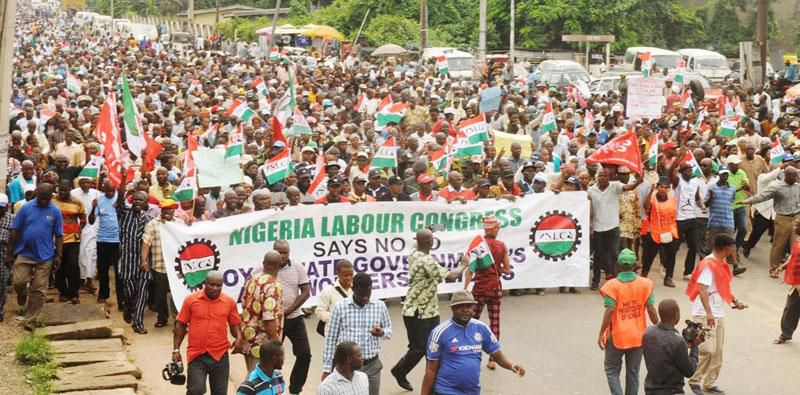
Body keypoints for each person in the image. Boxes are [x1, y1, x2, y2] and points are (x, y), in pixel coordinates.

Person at [391, 228, 469, 391]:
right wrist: (463, 265)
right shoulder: (426, 261)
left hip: (429, 310)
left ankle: (433, 384)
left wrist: (427, 231)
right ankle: (400, 371)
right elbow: (452, 276)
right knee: (420, 348)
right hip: (419, 312)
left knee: (433, 348)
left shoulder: (414, 251)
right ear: (430, 242)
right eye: (432, 238)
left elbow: (418, 240)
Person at [421, 290, 525, 395]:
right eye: (460, 306)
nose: (465, 310)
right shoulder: (440, 332)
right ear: (452, 308)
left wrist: (511, 366)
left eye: (468, 306)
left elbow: (497, 355)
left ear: (473, 308)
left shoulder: (481, 328)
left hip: (472, 391)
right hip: (445, 390)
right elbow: (431, 369)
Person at [685, 235, 748, 394]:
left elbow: (722, 286)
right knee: (708, 349)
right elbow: (702, 289)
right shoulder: (708, 265)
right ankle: (694, 380)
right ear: (726, 248)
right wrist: (708, 313)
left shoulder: (721, 263)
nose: (733, 250)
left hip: (718, 313)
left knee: (718, 350)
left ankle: (709, 383)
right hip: (705, 314)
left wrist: (734, 300)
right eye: (731, 248)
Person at [598, 248, 658, 395]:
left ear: (618, 265)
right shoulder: (645, 284)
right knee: (633, 372)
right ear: (634, 266)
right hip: (638, 336)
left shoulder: (612, 286)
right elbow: (651, 309)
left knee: (612, 370)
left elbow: (610, 311)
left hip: (617, 335)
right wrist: (658, 328)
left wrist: (601, 333)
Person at [322, 272, 392, 395]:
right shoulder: (340, 307)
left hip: (372, 366)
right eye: (361, 295)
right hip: (347, 368)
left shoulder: (380, 306)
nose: (365, 298)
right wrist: (327, 369)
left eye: (367, 294)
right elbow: (331, 339)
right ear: (353, 289)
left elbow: (389, 331)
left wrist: (381, 332)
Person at [174, 271, 243, 395]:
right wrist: (176, 350)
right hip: (197, 355)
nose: (215, 288)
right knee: (196, 390)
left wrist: (238, 337)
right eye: (211, 285)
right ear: (205, 283)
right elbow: (181, 324)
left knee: (220, 392)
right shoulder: (191, 300)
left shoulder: (229, 302)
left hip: (220, 356)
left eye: (219, 285)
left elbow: (234, 324)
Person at [7, 183, 63, 322]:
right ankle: (22, 295)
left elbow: (59, 235)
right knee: (18, 282)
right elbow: (15, 230)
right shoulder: (26, 208)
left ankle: (31, 318)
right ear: (37, 193)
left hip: (45, 255)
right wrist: (9, 253)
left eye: (46, 198)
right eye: (41, 197)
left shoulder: (55, 211)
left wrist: (59, 255)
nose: (43, 201)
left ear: (51, 196)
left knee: (39, 288)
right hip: (25, 252)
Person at [463, 216, 512, 366]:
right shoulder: (502, 246)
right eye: (497, 228)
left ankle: (468, 354)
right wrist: (498, 270)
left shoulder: (477, 245)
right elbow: (507, 269)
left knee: (470, 322)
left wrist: (465, 289)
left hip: (479, 289)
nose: (498, 230)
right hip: (496, 288)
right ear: (493, 229)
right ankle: (493, 360)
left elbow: (470, 270)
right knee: (495, 323)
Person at [588, 168, 643, 290]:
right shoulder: (591, 190)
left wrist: (638, 182)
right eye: (600, 176)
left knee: (614, 254)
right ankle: (595, 282)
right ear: (597, 177)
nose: (603, 178)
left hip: (612, 227)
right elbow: (587, 205)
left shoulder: (615, 187)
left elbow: (629, 187)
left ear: (609, 177)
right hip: (598, 228)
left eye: (605, 176)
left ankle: (619, 281)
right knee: (598, 256)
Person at [740, 165, 800, 273]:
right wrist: (748, 201)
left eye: (797, 175)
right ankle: (774, 268)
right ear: (786, 175)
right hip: (782, 219)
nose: (797, 177)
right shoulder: (777, 187)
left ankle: (794, 271)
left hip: (796, 218)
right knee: (778, 245)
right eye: (794, 175)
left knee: (796, 246)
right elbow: (763, 196)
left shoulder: (798, 186)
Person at [274, 240, 312, 395]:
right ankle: (275, 389)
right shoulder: (264, 267)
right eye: (280, 252)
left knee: (304, 354)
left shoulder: (297, 267)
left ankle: (295, 389)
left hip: (294, 318)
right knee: (273, 358)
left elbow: (305, 292)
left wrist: (288, 311)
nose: (283, 255)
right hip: (273, 322)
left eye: (285, 252)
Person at [642, 299, 701, 395]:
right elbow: (689, 371)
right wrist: (695, 347)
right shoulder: (677, 341)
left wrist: (683, 346)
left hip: (650, 389)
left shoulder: (648, 333)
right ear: (676, 314)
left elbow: (663, 352)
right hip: (672, 390)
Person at [141, 199, 183, 327]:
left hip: (177, 267)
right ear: (162, 210)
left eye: (171, 208)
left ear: (174, 210)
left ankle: (179, 320)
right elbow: (146, 243)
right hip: (159, 265)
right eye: (166, 208)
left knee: (178, 293)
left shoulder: (180, 223)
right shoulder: (152, 224)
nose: (168, 211)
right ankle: (162, 318)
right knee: (160, 295)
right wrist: (143, 260)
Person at [241, 251, 284, 372]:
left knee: (252, 377)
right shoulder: (273, 286)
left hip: (249, 341)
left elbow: (244, 305)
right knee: (261, 383)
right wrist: (276, 346)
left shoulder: (251, 280)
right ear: (279, 265)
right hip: (264, 346)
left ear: (264, 263)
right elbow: (269, 319)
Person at [118, 190, 154, 334]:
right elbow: (120, 201)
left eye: (140, 200)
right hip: (127, 260)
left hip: (144, 262)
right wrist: (124, 179)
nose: (137, 202)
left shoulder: (150, 220)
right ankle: (128, 306)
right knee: (130, 291)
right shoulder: (124, 214)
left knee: (142, 293)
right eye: (135, 200)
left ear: (146, 203)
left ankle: (137, 323)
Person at [89, 178, 124, 309]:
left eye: (112, 190)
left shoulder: (119, 199)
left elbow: (121, 197)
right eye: (108, 190)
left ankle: (122, 301)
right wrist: (93, 208)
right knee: (103, 271)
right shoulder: (99, 200)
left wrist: (124, 177)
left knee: (119, 272)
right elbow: (91, 221)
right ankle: (103, 296)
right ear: (103, 189)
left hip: (117, 241)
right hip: (103, 240)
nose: (110, 193)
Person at [705, 167, 745, 276]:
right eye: (723, 174)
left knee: (731, 244)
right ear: (719, 175)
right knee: (710, 244)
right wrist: (711, 198)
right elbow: (705, 204)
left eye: (727, 175)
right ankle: (706, 266)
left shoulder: (732, 188)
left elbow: (731, 201)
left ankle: (736, 266)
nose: (725, 177)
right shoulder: (712, 188)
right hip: (714, 221)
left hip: (728, 220)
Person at [641, 176, 680, 287]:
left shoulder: (672, 198)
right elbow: (646, 207)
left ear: (668, 188)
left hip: (669, 231)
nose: (663, 189)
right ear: (657, 187)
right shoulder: (652, 198)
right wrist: (650, 192)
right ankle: (643, 277)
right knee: (649, 256)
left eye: (666, 187)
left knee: (671, 255)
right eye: (661, 187)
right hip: (654, 231)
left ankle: (668, 277)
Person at [52, 179, 86, 304]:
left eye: (65, 190)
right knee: (59, 267)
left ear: (70, 190)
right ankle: (63, 292)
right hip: (55, 239)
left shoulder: (78, 203)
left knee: (73, 266)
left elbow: (83, 218)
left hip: (72, 239)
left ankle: (74, 293)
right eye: (61, 190)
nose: (62, 193)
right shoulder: (52, 200)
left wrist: (79, 229)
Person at [771, 220, 800, 344]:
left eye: (797, 226)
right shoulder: (797, 241)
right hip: (796, 284)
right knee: (790, 309)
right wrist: (782, 267)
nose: (794, 227)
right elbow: (792, 257)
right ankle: (785, 335)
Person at [315, 260, 354, 335]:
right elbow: (319, 312)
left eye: (351, 274)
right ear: (338, 274)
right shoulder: (328, 291)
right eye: (345, 275)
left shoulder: (357, 289)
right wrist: (336, 318)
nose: (349, 278)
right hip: (334, 333)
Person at [0, 194, 15, 321]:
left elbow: (16, 237)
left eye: (1, 207)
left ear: (7, 206)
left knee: (2, 282)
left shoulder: (12, 219)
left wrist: (11, 256)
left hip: (5, 253)